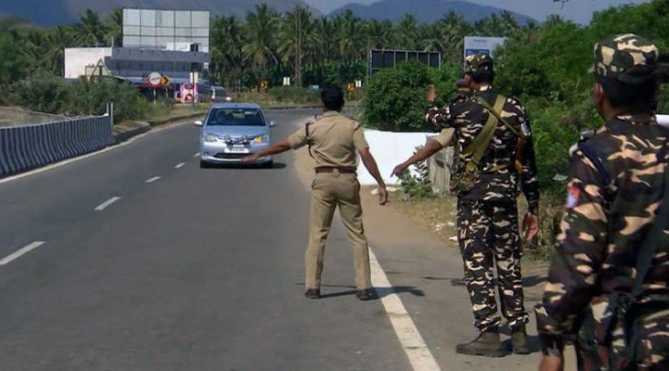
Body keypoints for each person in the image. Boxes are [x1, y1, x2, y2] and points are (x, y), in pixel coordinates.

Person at [535, 34, 669, 371]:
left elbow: (578, 259)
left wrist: (553, 340)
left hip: (621, 337)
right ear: (656, 90)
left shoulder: (597, 156)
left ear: (599, 92)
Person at [392, 54, 540, 357]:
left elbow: (433, 119)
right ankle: (520, 332)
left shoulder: (459, 108)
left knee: (478, 264)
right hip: (506, 197)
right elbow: (528, 162)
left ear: (469, 77)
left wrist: (431, 100)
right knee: (509, 263)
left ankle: (488, 332)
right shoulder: (516, 108)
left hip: (473, 197)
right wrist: (533, 207)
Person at [242, 85, 388, 301]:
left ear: (322, 104)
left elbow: (286, 144)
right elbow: (365, 155)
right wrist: (380, 183)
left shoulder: (313, 128)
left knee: (318, 234)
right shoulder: (352, 127)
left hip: (323, 180)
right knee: (357, 235)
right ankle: (364, 286)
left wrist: (260, 153)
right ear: (343, 103)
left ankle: (313, 286)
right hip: (348, 180)